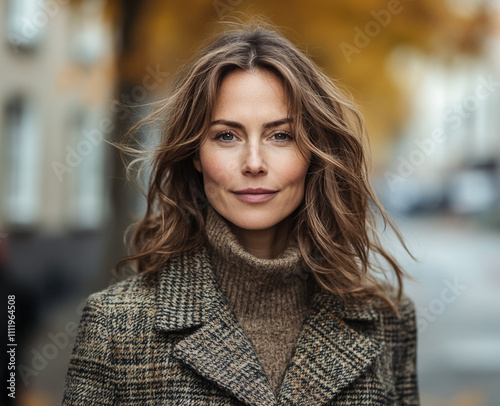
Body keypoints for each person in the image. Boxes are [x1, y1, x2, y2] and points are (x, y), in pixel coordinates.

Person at [62, 23, 419, 405]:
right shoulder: (115, 325)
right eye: (226, 136)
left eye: (280, 135)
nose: (253, 163)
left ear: (313, 151)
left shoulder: (387, 319)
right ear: (196, 156)